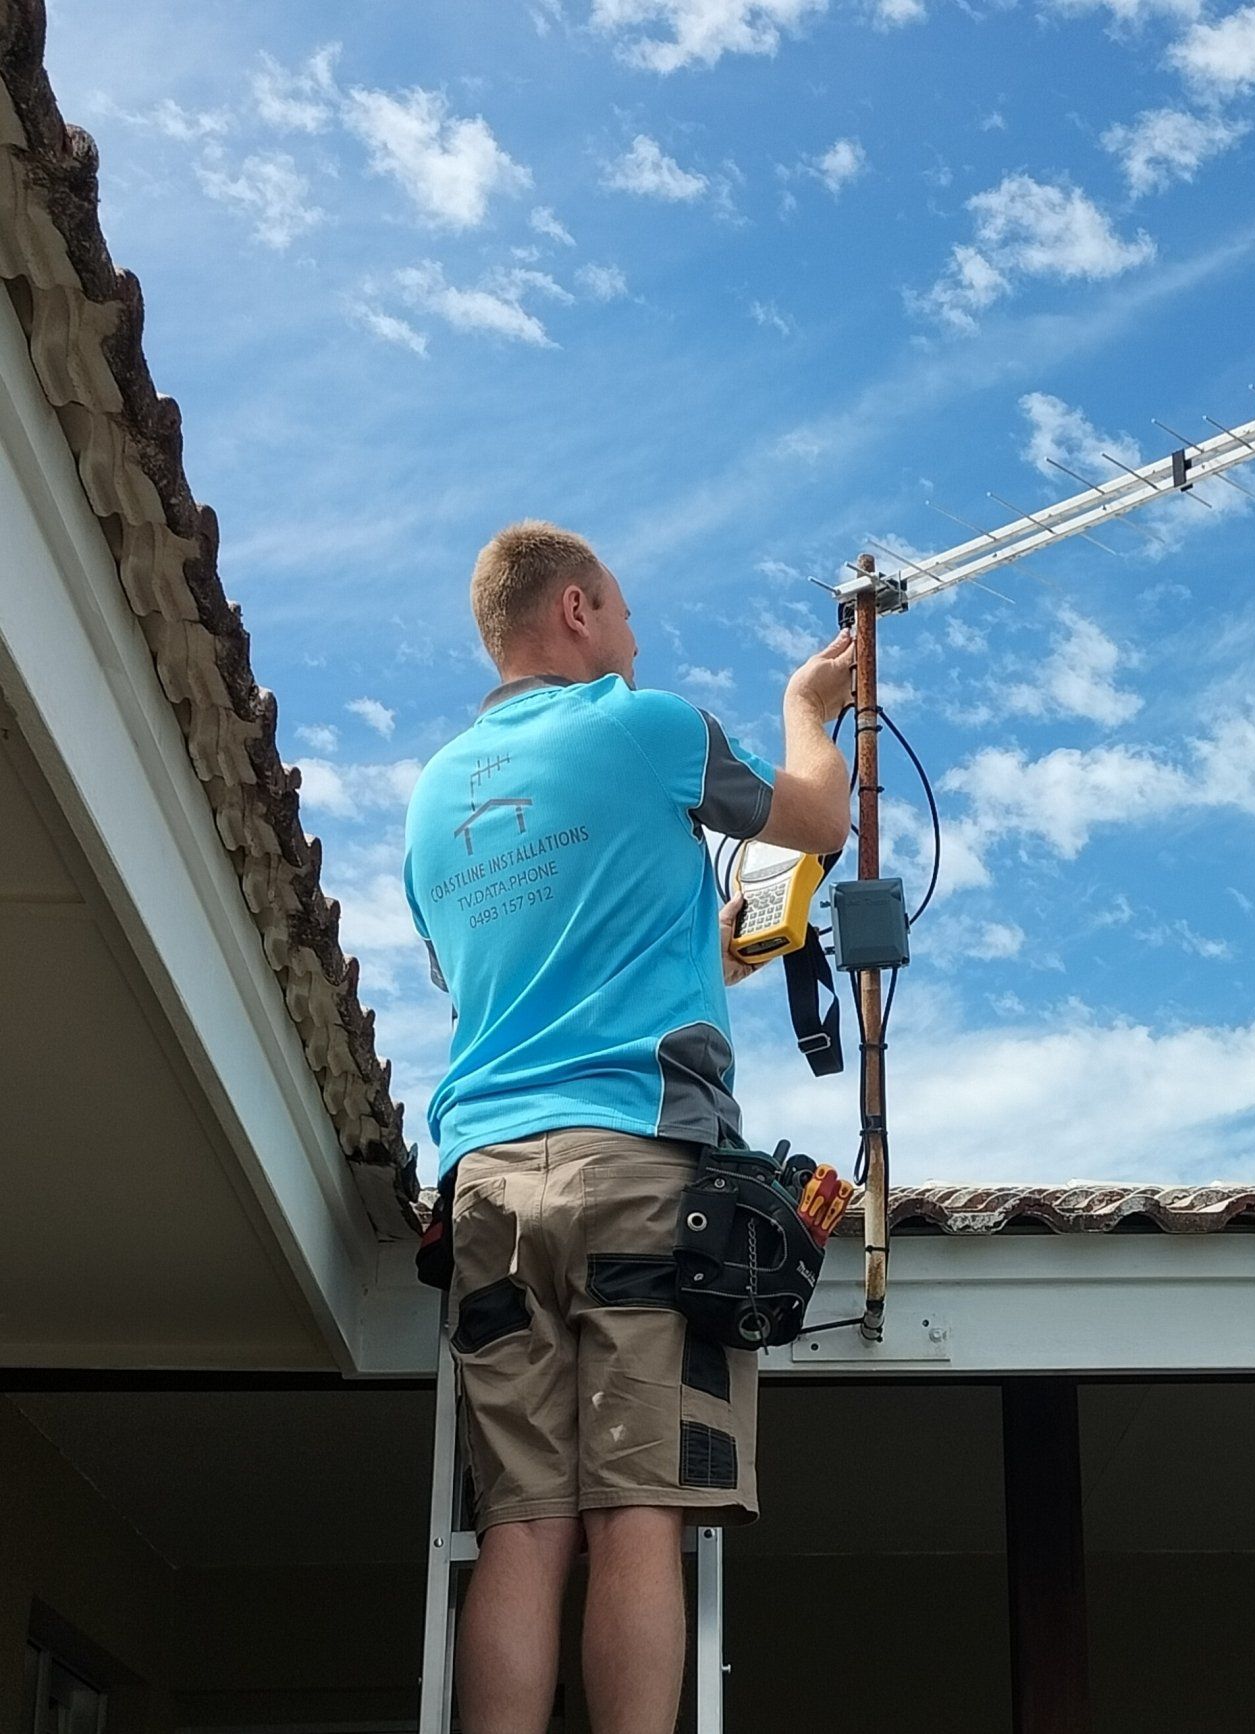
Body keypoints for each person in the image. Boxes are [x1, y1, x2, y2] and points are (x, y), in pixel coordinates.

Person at [401, 520, 853, 1734]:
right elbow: (817, 821)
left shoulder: (433, 797)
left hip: (486, 1183)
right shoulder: (640, 724)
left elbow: (515, 973)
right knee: (635, 1512)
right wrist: (807, 705)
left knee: (523, 1526)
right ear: (578, 612)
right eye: (628, 614)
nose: (637, 642)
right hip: (636, 1164)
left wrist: (698, 964)